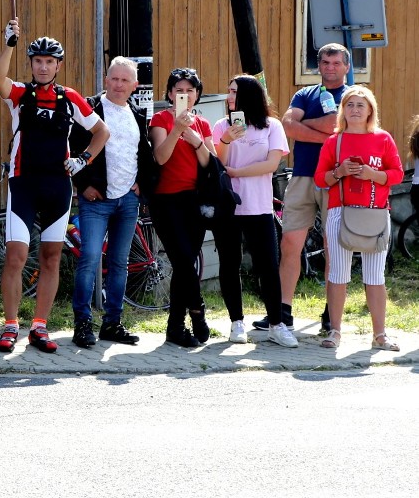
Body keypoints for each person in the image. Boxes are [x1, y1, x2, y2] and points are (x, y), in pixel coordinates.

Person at [0, 18, 109, 354]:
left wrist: (83, 159)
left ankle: (39, 326)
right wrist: (9, 44)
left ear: (58, 65)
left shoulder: (68, 97)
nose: (43, 67)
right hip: (23, 183)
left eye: (49, 62)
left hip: (58, 187)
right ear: (31, 64)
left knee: (51, 257)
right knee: (16, 255)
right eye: (37, 61)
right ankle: (11, 324)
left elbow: (102, 132)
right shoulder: (20, 94)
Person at [254, 43, 350, 332]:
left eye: (336, 63)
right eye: (325, 62)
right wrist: (329, 134)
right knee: (290, 244)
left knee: (332, 246)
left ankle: (330, 313)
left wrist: (305, 127)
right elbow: (287, 126)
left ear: (346, 66)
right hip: (303, 176)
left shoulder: (353, 97)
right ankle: (282, 311)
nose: (330, 67)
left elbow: (337, 123)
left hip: (337, 177)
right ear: (318, 65)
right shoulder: (304, 94)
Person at [69, 57, 152, 348]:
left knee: (119, 263)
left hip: (128, 200)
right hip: (96, 199)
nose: (118, 84)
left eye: (124, 80)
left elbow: (143, 152)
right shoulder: (90, 109)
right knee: (90, 259)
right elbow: (73, 149)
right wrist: (83, 185)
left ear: (134, 85)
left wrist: (141, 184)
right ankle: (82, 324)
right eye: (113, 79)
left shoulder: (138, 114)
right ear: (106, 80)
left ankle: (112, 324)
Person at [313, 86, 402, 350]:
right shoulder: (334, 141)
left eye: (360, 105)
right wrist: (339, 172)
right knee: (338, 273)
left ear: (370, 110)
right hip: (340, 211)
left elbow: (396, 174)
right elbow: (320, 178)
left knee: (375, 275)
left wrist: (372, 174)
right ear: (343, 110)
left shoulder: (383, 138)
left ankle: (380, 335)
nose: (354, 110)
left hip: (376, 212)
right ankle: (335, 331)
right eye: (350, 105)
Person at [212, 75, 297, 347]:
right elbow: (217, 164)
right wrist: (225, 141)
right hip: (228, 205)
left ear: (249, 94)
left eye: (234, 91)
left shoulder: (271, 126)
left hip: (259, 205)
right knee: (229, 263)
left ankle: (276, 324)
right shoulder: (221, 126)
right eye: (228, 92)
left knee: (268, 266)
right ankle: (237, 323)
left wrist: (238, 172)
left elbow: (271, 165)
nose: (229, 97)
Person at [149, 68, 213, 348]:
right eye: (178, 90)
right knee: (184, 260)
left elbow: (209, 164)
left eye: (189, 90)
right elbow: (161, 158)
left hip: (194, 201)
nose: (183, 94)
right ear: (169, 93)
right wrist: (177, 129)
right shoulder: (160, 119)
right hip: (166, 200)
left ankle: (175, 327)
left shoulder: (203, 124)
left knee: (184, 264)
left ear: (197, 95)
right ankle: (197, 311)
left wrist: (196, 139)